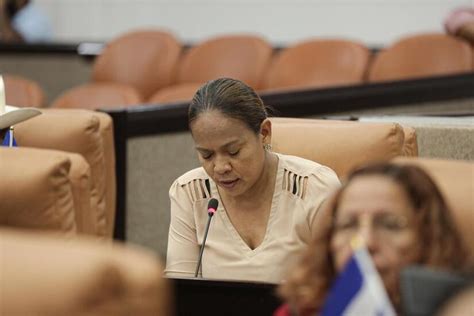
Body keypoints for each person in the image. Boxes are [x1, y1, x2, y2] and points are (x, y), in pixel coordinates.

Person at [164, 78, 340, 283]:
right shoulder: (190, 192)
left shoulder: (314, 188)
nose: (220, 168)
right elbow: (180, 292)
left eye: (233, 151)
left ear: (264, 133)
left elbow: (339, 288)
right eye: (207, 155)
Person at [277, 163, 469, 316]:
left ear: (429, 237)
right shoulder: (302, 310)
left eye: (390, 225)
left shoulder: (461, 308)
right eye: (348, 225)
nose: (365, 242)